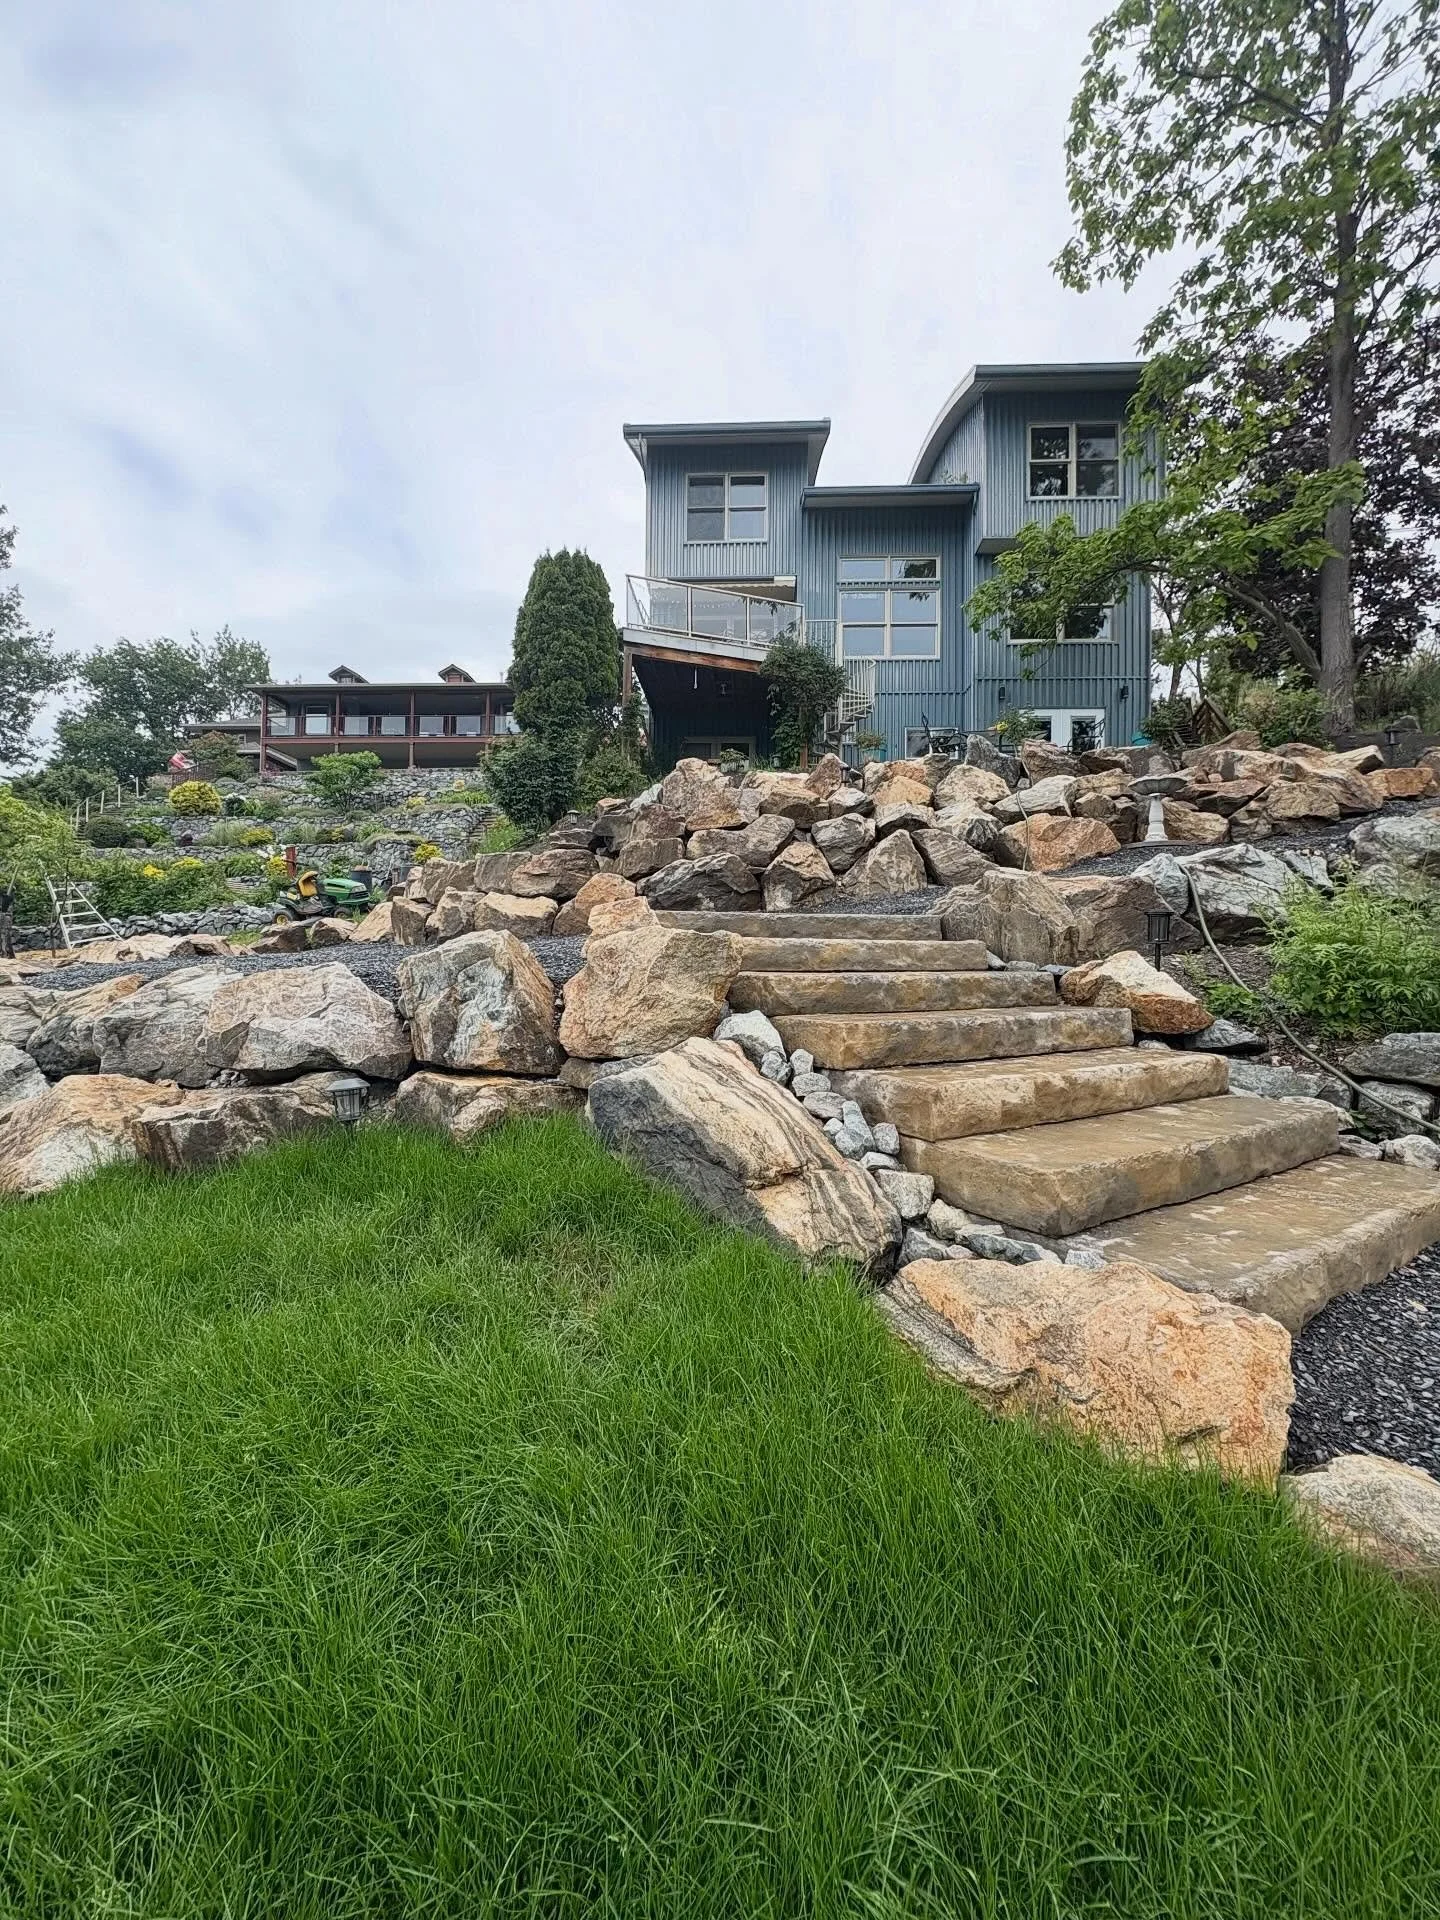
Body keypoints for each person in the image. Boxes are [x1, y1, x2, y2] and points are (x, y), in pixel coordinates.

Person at [0, 880, 15, 959]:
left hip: (4, 916)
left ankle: (5, 953)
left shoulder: (6, 898)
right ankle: (5, 953)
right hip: (5, 916)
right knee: (5, 936)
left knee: (4, 935)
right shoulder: (8, 897)